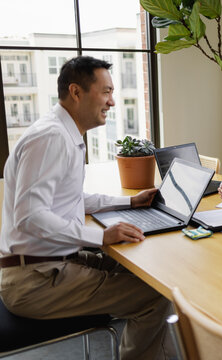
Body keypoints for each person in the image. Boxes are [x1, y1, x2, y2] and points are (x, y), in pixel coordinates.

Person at [0, 56, 174, 359]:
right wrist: (100, 237)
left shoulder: (64, 133)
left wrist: (129, 202)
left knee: (145, 276)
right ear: (76, 92)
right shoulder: (51, 137)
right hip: (35, 280)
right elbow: (30, 217)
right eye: (105, 92)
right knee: (155, 296)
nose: (113, 102)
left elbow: (72, 199)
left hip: (46, 265)